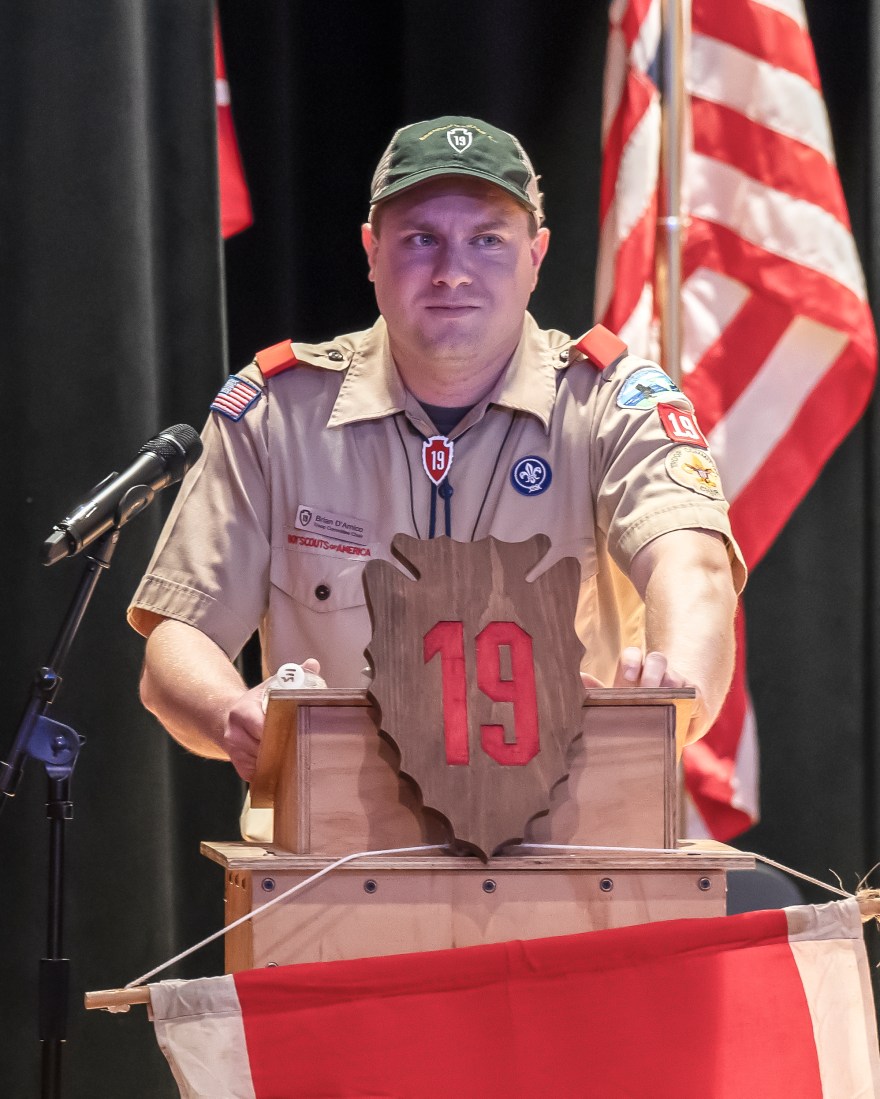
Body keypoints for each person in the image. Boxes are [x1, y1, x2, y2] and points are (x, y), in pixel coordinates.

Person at [129, 115, 744, 787]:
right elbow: (176, 637)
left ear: (535, 256)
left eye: (487, 240)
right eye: (423, 239)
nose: (453, 272)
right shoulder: (278, 414)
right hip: (336, 843)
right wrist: (233, 712)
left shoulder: (612, 404)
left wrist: (676, 687)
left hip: (567, 835)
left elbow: (695, 570)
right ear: (371, 251)